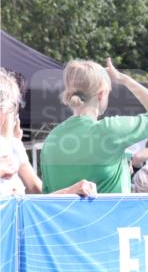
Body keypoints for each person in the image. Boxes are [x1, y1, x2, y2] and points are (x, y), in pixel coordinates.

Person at [40, 59, 148, 194]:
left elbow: (48, 194)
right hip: (110, 215)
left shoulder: (51, 139)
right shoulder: (110, 130)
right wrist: (124, 79)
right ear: (101, 94)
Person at [0, 68, 96, 197]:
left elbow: (37, 192)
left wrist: (70, 191)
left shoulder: (13, 145)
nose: (16, 114)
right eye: (14, 106)